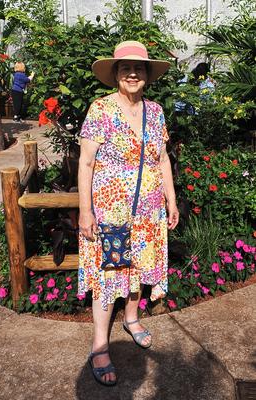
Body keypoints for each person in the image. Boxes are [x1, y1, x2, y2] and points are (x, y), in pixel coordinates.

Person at [78, 40, 179, 386]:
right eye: (126, 68)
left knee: (139, 268)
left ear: (148, 75)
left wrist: (172, 200)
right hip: (110, 214)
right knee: (108, 277)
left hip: (149, 213)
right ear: (116, 75)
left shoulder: (155, 111)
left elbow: (162, 159)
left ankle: (132, 319)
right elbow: (86, 162)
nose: (133, 73)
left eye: (139, 68)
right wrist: (85, 211)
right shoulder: (100, 109)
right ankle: (100, 345)